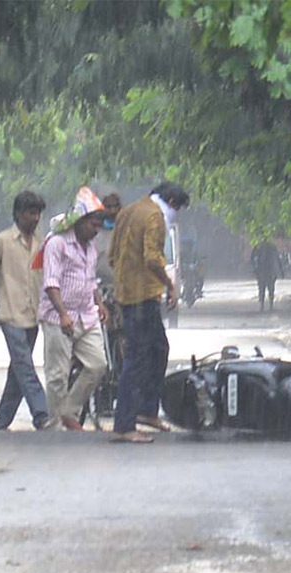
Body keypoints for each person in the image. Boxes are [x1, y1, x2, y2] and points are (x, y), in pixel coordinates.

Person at [108, 181, 191, 443]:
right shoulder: (155, 216)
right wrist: (170, 285)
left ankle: (146, 411)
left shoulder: (128, 212)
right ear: (173, 203)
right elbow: (152, 258)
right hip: (143, 297)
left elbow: (112, 256)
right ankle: (124, 425)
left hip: (128, 295)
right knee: (137, 359)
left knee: (158, 349)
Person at [0, 190, 49, 431]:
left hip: (33, 314)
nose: (35, 218)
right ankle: (42, 414)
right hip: (10, 313)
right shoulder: (1, 241)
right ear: (18, 214)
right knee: (25, 365)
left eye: (37, 213)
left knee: (17, 370)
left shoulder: (42, 243)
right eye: (30, 213)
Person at [38, 186, 110, 431]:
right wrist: (63, 314)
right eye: (92, 224)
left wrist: (99, 303)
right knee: (57, 375)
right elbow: (50, 282)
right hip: (58, 317)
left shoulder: (91, 249)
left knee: (98, 365)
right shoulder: (56, 244)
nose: (96, 230)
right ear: (79, 221)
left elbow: (90, 281)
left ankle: (69, 410)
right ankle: (56, 424)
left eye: (99, 226)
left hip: (86, 316)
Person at [250, 240, 282, 311]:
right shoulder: (260, 247)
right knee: (264, 289)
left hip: (267, 271)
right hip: (264, 271)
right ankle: (265, 305)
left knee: (267, 289)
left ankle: (267, 305)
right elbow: (252, 259)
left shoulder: (267, 247)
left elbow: (277, 259)